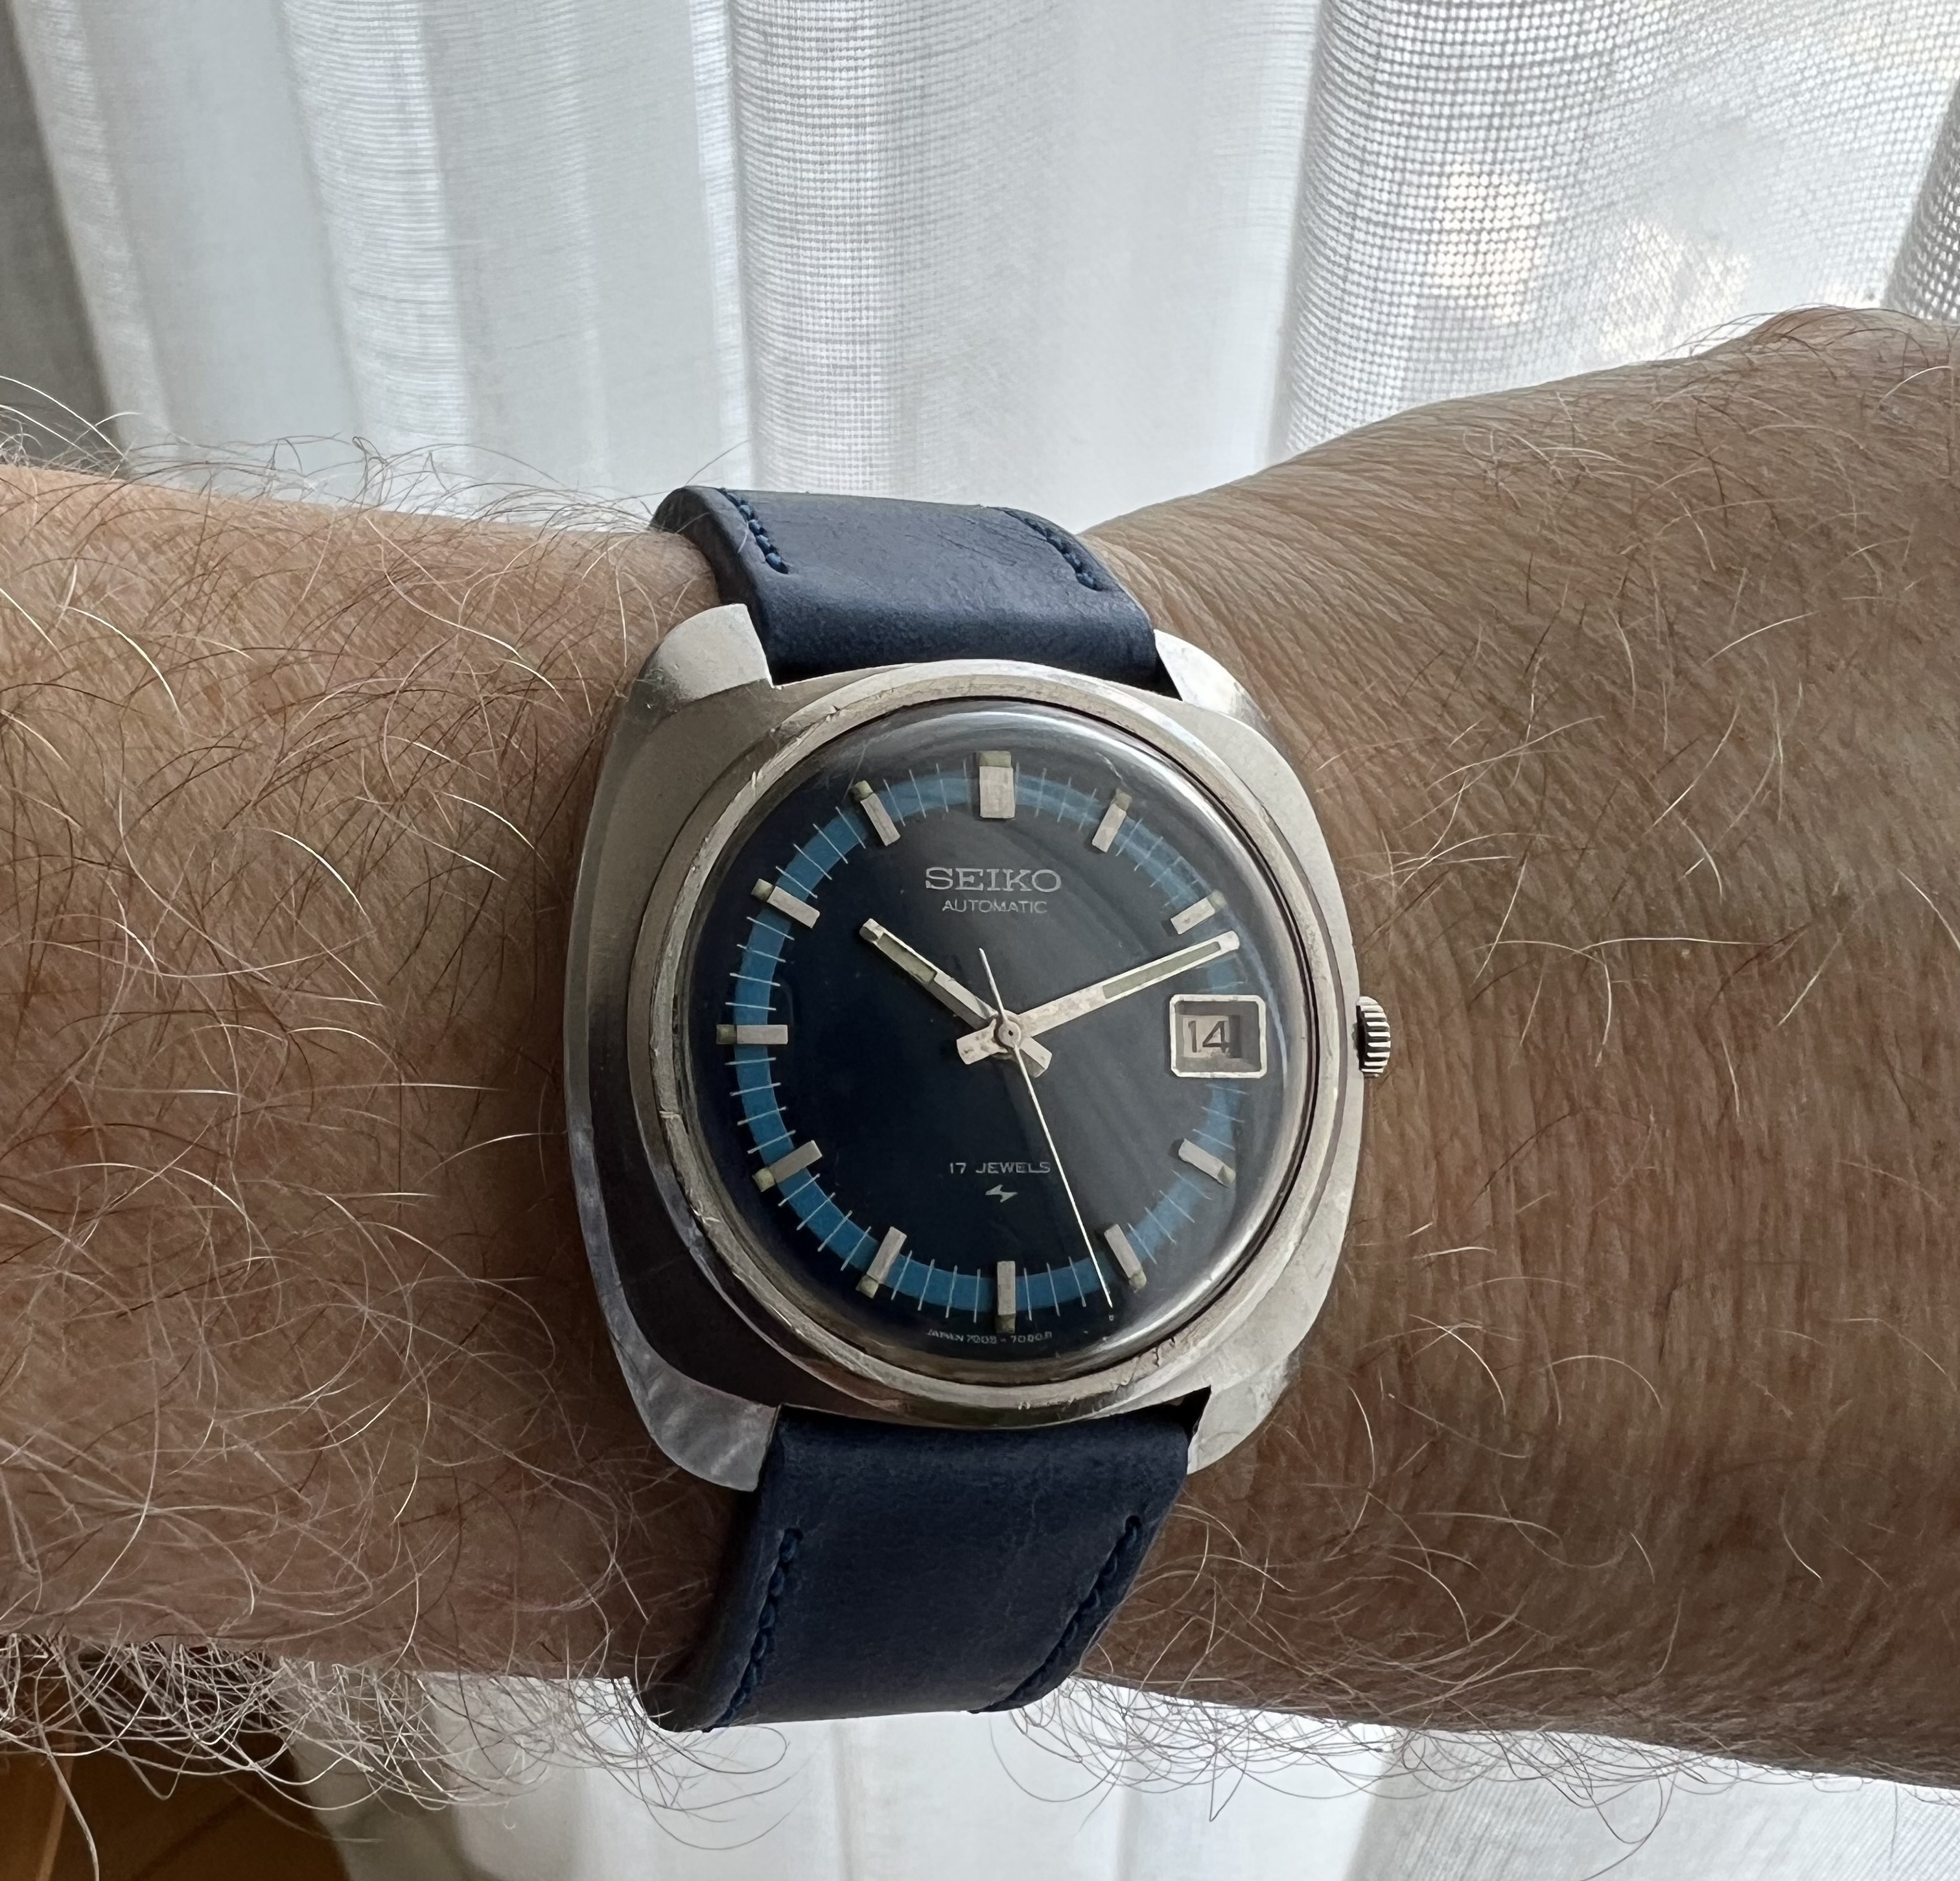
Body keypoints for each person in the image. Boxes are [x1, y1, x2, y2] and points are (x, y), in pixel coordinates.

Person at [1, 307, 1954, 1783]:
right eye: (998, 1016)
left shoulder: (1206, 1317)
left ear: (1342, 1041)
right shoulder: (908, 728)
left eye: (1033, 1018)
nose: (1010, 1030)